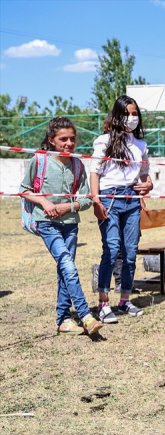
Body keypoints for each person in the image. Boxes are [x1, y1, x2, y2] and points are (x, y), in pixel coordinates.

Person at [21, 117, 102, 335]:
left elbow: (86, 198)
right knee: (67, 265)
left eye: (72, 139)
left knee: (65, 270)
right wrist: (45, 202)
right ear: (52, 140)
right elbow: (25, 190)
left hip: (70, 225)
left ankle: (64, 318)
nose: (68, 143)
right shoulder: (39, 160)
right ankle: (85, 315)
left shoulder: (77, 164)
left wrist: (70, 206)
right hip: (47, 224)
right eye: (63, 139)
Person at [90, 95, 153, 323]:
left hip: (132, 199)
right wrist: (96, 201)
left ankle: (125, 300)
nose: (132, 118)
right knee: (112, 248)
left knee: (130, 252)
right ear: (117, 116)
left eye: (135, 113)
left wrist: (148, 184)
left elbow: (145, 174)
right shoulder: (104, 141)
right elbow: (94, 172)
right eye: (127, 113)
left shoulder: (140, 145)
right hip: (110, 198)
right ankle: (104, 303)